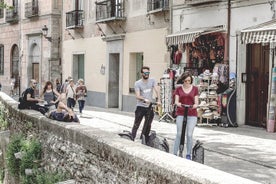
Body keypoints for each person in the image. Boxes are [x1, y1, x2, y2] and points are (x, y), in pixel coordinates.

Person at [131, 66, 161, 141]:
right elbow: (137, 96)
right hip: (140, 106)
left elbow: (157, 90)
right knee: (136, 124)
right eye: (144, 73)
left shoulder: (152, 80)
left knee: (148, 124)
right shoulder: (137, 83)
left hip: (149, 107)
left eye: (147, 73)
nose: (146, 74)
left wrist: (159, 100)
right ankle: (132, 138)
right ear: (141, 73)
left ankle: (144, 138)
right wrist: (144, 99)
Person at [173, 72, 199, 160]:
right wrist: (178, 104)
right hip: (181, 112)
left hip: (192, 114)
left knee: (189, 134)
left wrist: (195, 105)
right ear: (183, 80)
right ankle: (175, 152)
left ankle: (188, 154)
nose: (188, 82)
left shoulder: (195, 89)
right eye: (186, 81)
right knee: (179, 133)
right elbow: (176, 101)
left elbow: (196, 102)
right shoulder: (178, 89)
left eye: (189, 81)